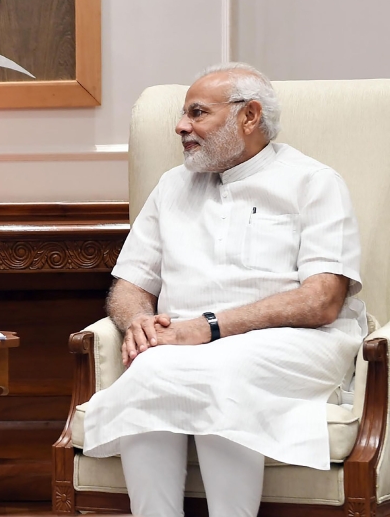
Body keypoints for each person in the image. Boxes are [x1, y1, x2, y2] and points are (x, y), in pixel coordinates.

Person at [82, 63, 366, 517]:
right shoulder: (172, 186)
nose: (181, 126)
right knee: (150, 367)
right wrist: (136, 320)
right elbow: (129, 285)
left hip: (297, 340)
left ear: (249, 116)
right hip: (183, 342)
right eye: (182, 114)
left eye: (197, 113)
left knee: (216, 368)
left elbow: (323, 300)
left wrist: (212, 327)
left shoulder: (314, 182)